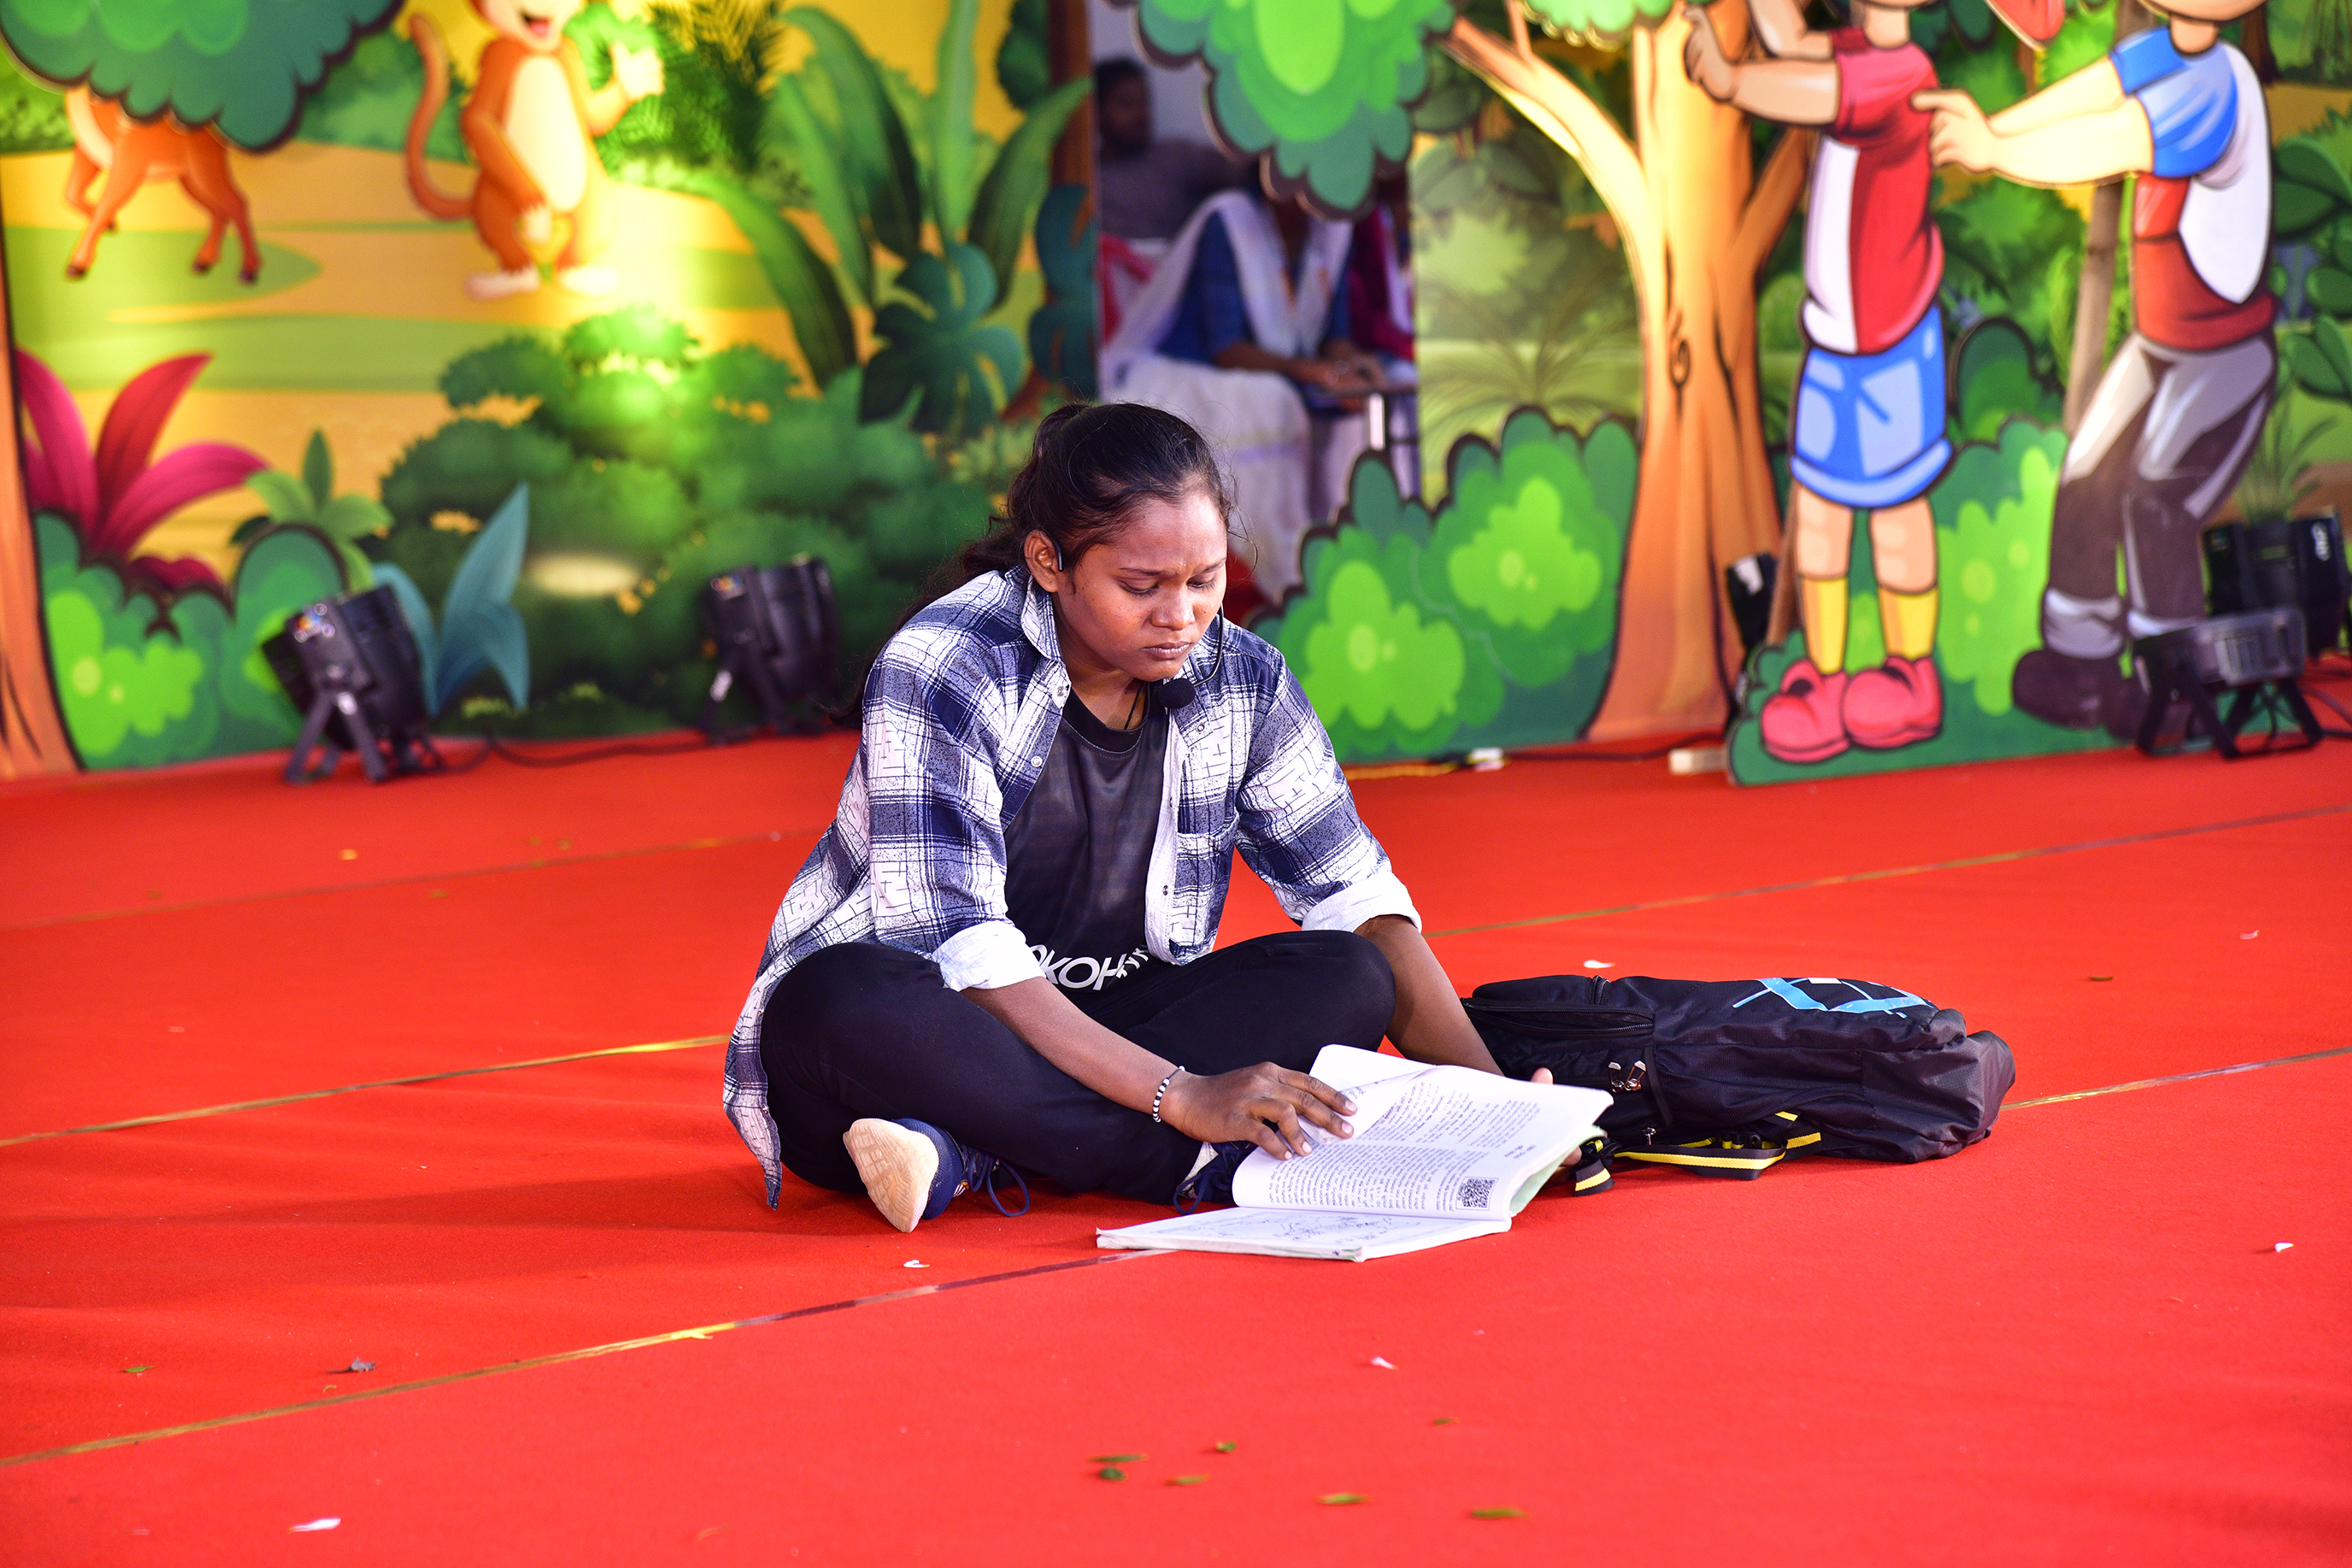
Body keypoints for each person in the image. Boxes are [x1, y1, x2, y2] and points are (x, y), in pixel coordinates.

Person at [725, 403, 1542, 1233]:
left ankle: (971, 1152)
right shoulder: (946, 664)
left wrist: (1506, 1114)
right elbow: (965, 950)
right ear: (1049, 562)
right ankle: (1175, 1160)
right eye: (1141, 587)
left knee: (1351, 973)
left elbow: (1355, 896)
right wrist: (1180, 1096)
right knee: (829, 998)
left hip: (1112, 1028)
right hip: (934, 1034)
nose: (1180, 615)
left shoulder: (1243, 676)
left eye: (1205, 579)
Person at [1916, 0, 2275, 740]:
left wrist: (1993, 150)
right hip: (2160, 344)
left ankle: (2173, 681)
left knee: (2153, 499)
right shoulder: (2169, 54)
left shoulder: (2214, 90)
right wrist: (1994, 128)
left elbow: (2110, 139)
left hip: (2225, 358)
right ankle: (2079, 662)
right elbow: (2095, 89)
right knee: (2085, 473)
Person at [1685, 0, 1950, 766]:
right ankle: (1827, 675)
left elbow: (1818, 92)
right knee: (1824, 518)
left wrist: (1732, 81)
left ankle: (1911, 673)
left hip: (1890, 345)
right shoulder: (1854, 47)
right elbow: (1790, 39)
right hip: (1835, 345)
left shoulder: (1900, 73)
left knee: (1897, 511)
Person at [1102, 187, 1382, 598]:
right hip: (1193, 374)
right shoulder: (1229, 222)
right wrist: (1313, 372)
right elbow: (1227, 348)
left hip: (1287, 376)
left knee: (1371, 401)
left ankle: (1354, 555)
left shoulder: (1333, 231)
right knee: (1274, 402)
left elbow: (1334, 335)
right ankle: (1285, 574)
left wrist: (1354, 365)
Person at [1093, 58, 1251, 244]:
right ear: (1097, 111)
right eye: (1126, 104)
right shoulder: (1090, 178)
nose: (1140, 114)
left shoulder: (1173, 156)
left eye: (1144, 102)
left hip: (1181, 260)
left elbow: (1235, 170)